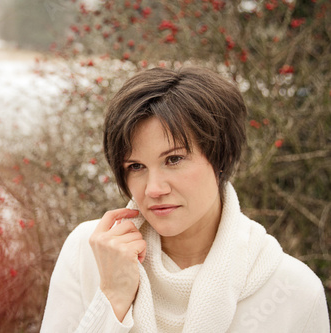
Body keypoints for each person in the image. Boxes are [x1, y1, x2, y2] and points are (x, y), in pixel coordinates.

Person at [40, 66, 330, 332]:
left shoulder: (293, 290)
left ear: (221, 157)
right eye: (136, 166)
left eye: (174, 159)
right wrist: (113, 297)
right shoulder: (88, 252)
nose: (153, 189)